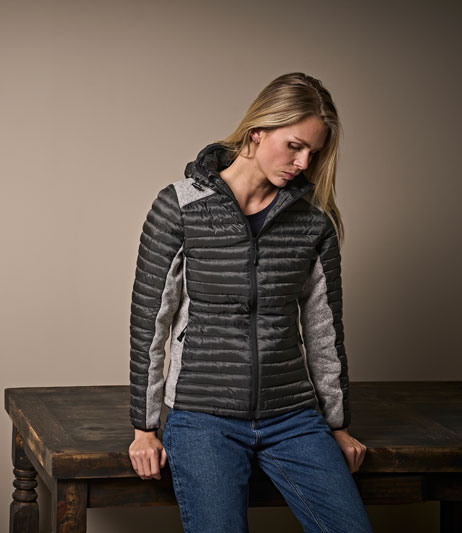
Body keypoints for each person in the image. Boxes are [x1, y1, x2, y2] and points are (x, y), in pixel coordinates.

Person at [127, 72, 374, 532]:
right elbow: (150, 321)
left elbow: (324, 330)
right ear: (257, 131)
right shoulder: (179, 207)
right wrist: (145, 428)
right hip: (203, 418)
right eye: (295, 146)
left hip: (293, 417)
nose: (303, 163)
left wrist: (336, 424)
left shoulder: (312, 222)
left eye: (314, 152)